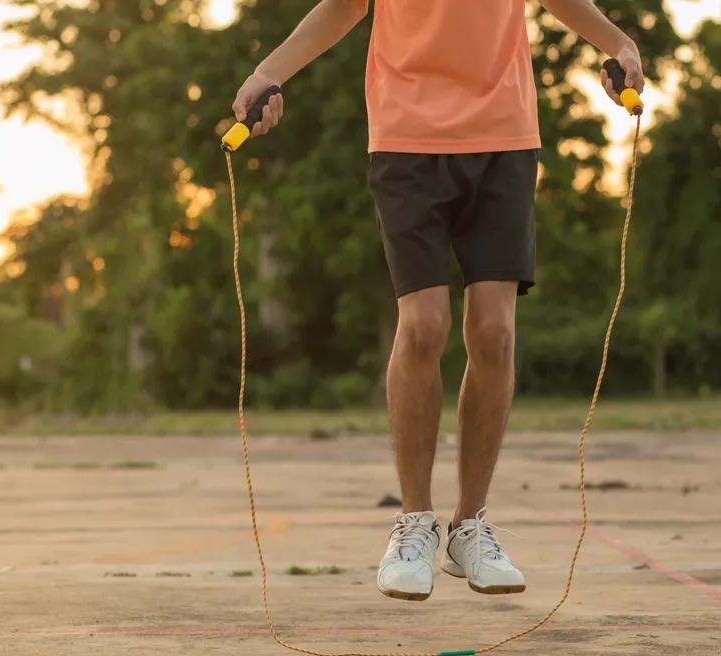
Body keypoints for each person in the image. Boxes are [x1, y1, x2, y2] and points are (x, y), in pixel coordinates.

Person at [232, 0, 644, 602]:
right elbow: (343, 7)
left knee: (494, 332)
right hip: (406, 136)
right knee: (424, 326)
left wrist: (618, 42)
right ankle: (415, 523)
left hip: (503, 134)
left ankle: (469, 527)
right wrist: (269, 71)